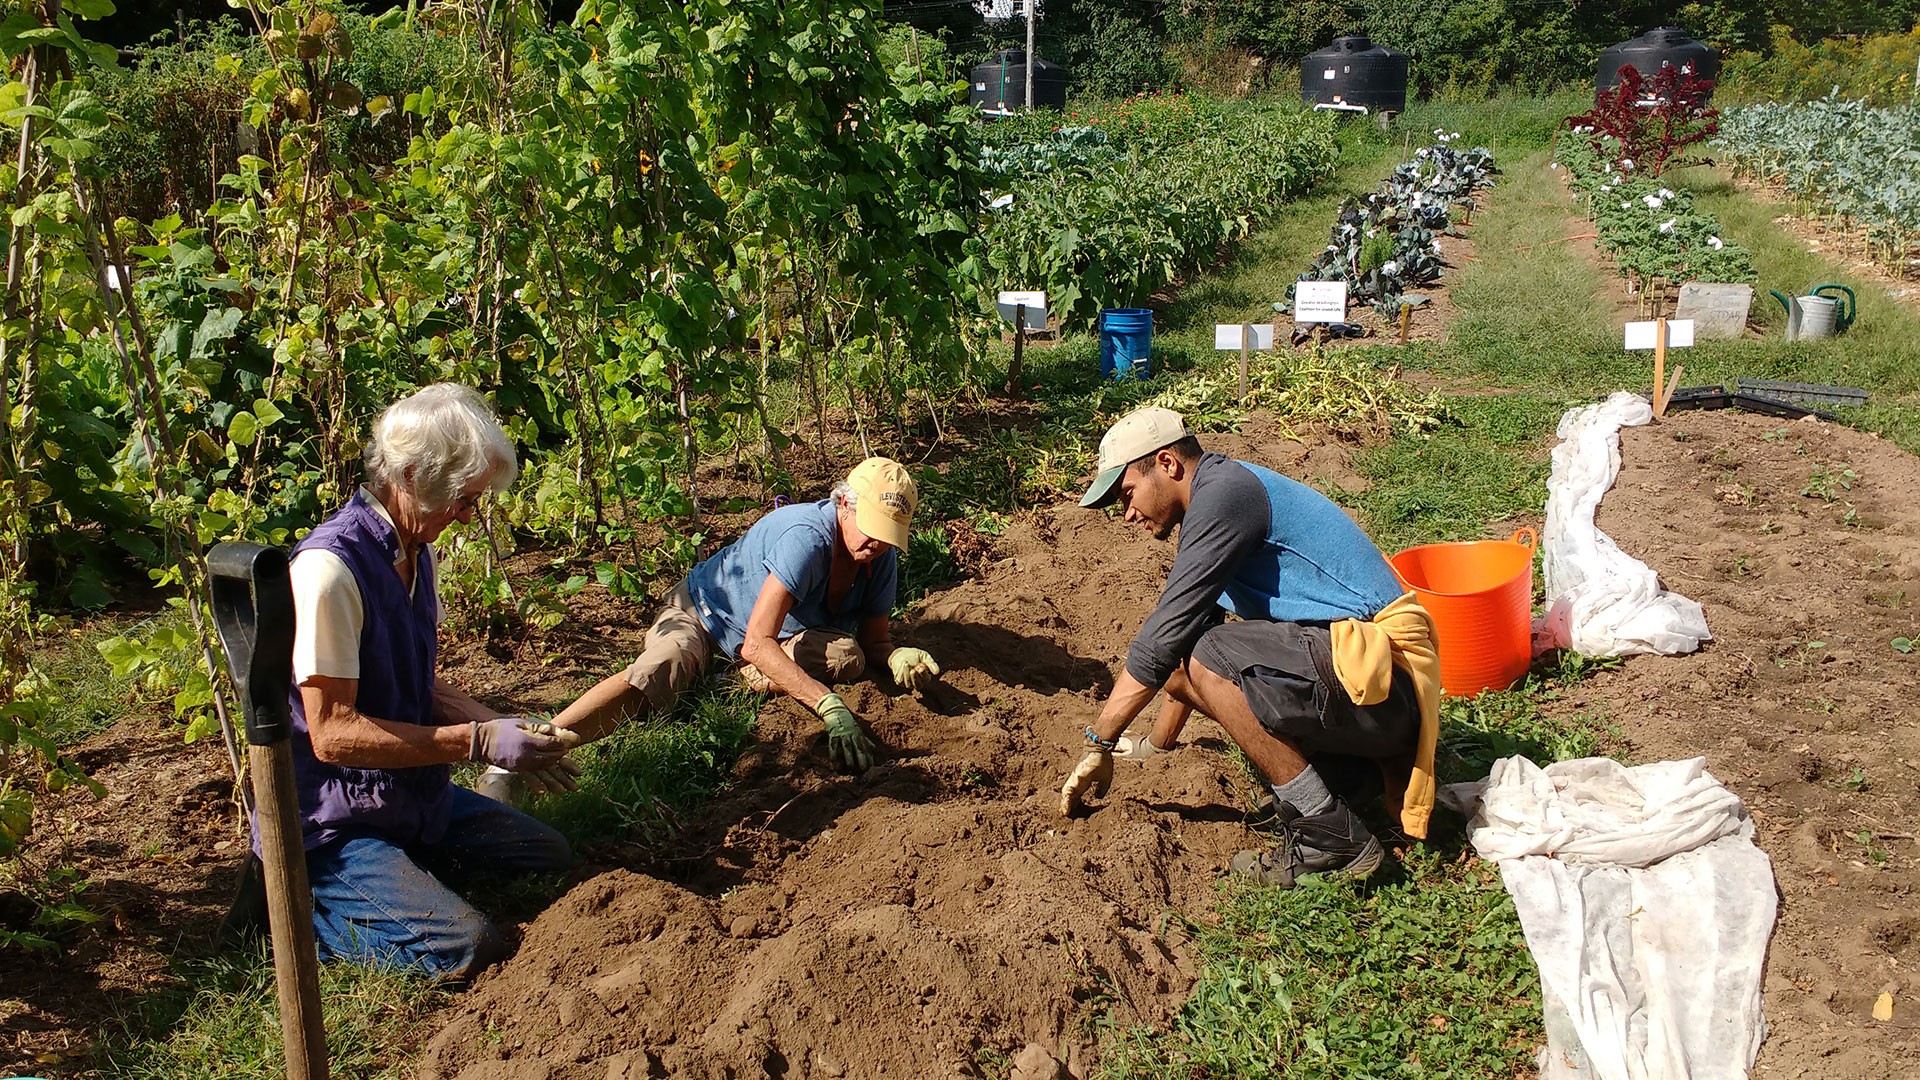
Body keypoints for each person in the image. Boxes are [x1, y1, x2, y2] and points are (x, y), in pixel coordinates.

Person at [1057, 407, 1443, 886]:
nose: (1128, 513)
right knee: (1194, 650)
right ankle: (1342, 776)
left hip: (1384, 687)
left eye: (1128, 493)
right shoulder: (1212, 502)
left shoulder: (1225, 498)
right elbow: (1178, 645)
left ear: (1167, 464)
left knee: (1209, 654)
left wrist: (1101, 739)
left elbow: (1167, 637)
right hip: (1364, 687)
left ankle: (1328, 831)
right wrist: (1157, 747)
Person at [282, 383, 579, 980]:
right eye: (463, 499)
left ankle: (406, 873)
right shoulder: (329, 571)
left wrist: (500, 725)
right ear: (413, 475)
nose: (469, 516)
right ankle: (311, 914)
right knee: (467, 946)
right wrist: (473, 742)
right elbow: (332, 734)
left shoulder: (417, 552)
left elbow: (417, 683)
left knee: (550, 856)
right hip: (334, 822)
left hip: (407, 795)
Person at [536, 457, 939, 771]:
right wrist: (826, 703)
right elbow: (756, 640)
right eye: (871, 527)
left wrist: (894, 656)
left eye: (888, 535)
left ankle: (742, 674)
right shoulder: (807, 539)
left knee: (847, 656)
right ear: (844, 504)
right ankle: (541, 744)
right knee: (666, 664)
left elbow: (874, 640)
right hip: (704, 616)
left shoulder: (880, 558)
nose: (876, 543)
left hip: (773, 637)